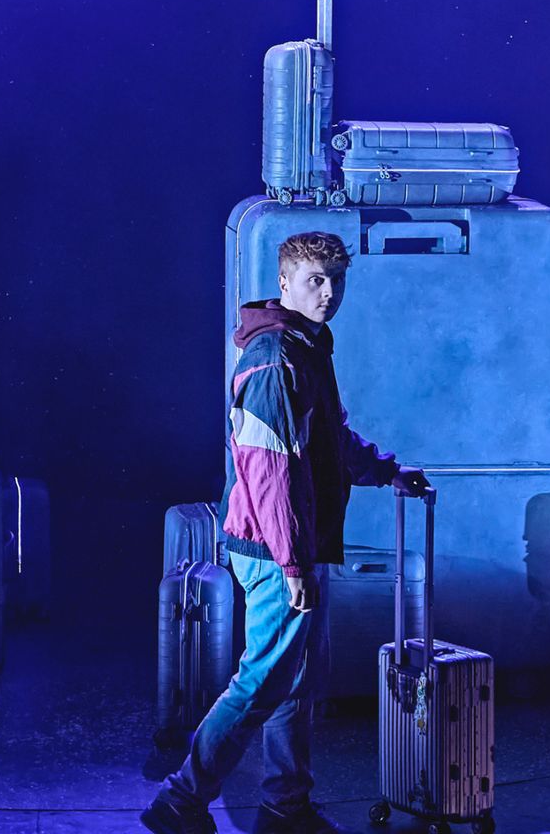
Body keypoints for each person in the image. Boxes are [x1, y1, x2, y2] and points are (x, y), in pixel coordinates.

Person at [144, 231, 431, 834]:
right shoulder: (276, 357)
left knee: (297, 681)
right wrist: (295, 564)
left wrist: (387, 472)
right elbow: (271, 475)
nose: (328, 293)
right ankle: (180, 800)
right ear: (285, 283)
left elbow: (328, 443)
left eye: (336, 281)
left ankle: (285, 805)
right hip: (277, 550)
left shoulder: (306, 347)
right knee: (264, 678)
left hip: (295, 543)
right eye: (314, 281)